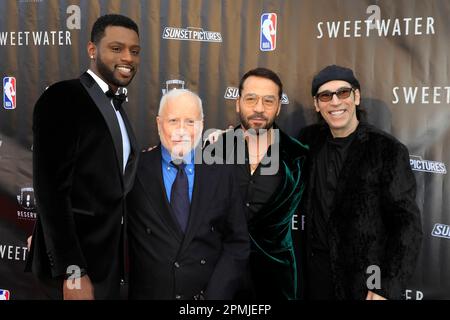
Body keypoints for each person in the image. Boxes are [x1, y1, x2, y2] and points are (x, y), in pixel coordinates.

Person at [25, 14, 141, 300]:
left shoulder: (116, 108)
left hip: (107, 267)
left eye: (134, 51)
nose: (128, 57)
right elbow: (51, 191)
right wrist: (72, 271)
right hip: (75, 272)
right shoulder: (63, 98)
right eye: (116, 48)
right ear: (92, 50)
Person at [298, 65, 422, 300]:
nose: (335, 102)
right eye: (325, 96)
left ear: (356, 96)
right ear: (317, 104)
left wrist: (385, 285)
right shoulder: (307, 141)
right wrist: (229, 140)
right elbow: (269, 150)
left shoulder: (386, 150)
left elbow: (406, 226)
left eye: (343, 93)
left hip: (364, 282)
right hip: (315, 278)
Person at [127, 89, 249, 300]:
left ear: (202, 124)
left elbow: (237, 242)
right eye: (173, 120)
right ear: (158, 124)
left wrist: (215, 296)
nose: (181, 131)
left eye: (190, 122)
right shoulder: (135, 170)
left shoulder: (222, 171)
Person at [206, 67, 308, 300]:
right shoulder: (212, 150)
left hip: (276, 280)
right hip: (220, 276)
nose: (259, 108)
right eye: (251, 99)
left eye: (268, 100)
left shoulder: (299, 156)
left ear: (279, 107)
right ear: (238, 103)